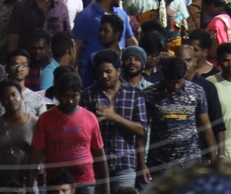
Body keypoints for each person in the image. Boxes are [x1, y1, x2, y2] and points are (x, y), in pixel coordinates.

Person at [31, 69, 108, 194]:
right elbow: (35, 154)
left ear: (80, 94)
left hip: (85, 181)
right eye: (66, 97)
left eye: (74, 96)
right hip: (57, 185)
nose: (70, 101)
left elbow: (99, 153)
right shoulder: (45, 119)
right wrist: (30, 186)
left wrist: (106, 186)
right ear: (58, 95)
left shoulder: (90, 117)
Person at [81, 50, 146, 190]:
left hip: (124, 163)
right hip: (95, 165)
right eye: (100, 73)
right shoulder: (88, 95)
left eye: (108, 72)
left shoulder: (134, 94)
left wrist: (114, 117)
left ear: (118, 70)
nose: (104, 76)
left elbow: (141, 130)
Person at [142, 57, 213, 176]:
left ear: (185, 74)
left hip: (190, 163)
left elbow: (205, 125)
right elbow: (142, 130)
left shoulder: (197, 92)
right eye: (171, 82)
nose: (175, 87)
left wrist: (213, 157)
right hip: (160, 163)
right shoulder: (150, 94)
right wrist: (142, 163)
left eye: (179, 82)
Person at [0, 81, 38, 194]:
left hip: (26, 187)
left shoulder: (35, 124)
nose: (10, 99)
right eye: (5, 97)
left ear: (21, 96)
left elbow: (40, 157)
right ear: (1, 102)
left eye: (13, 94)